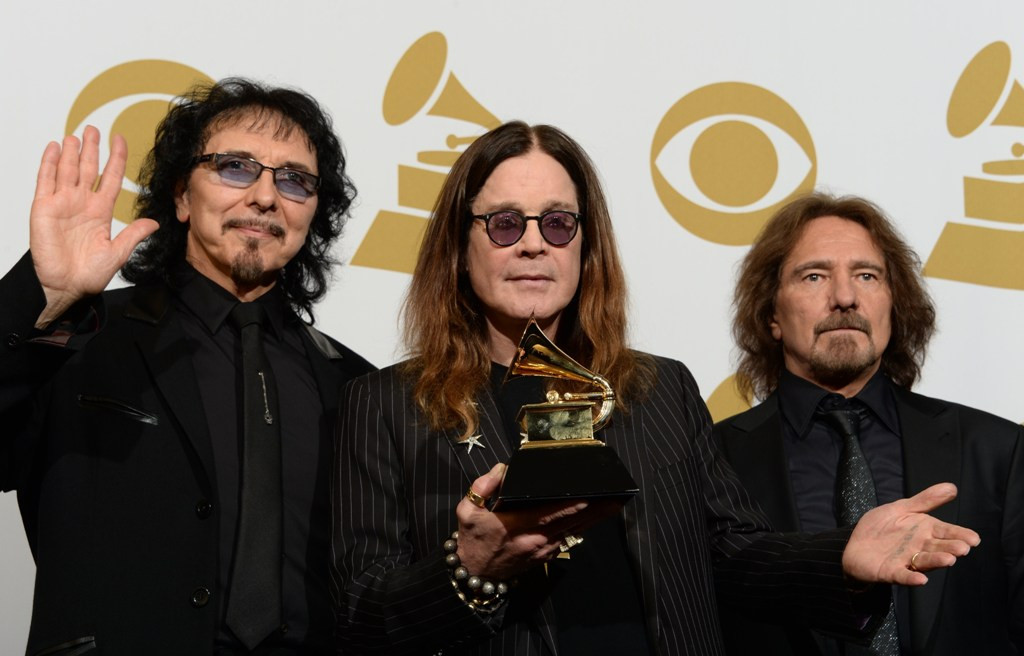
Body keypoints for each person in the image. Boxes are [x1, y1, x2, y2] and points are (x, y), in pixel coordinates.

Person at [330, 122, 979, 656]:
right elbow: (360, 611)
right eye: (504, 224)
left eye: (558, 223)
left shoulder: (659, 388)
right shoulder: (386, 405)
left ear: (586, 246)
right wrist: (466, 570)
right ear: (458, 246)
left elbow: (731, 553)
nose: (533, 244)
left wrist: (840, 554)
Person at [0, 78, 373, 655]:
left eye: (294, 180)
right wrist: (38, 296)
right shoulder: (79, 336)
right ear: (180, 195)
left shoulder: (355, 385)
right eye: (235, 167)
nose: (265, 197)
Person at [714, 192, 1023, 655]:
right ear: (772, 314)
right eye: (814, 275)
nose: (844, 297)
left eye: (867, 275)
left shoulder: (997, 449)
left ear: (893, 305)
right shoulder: (715, 458)